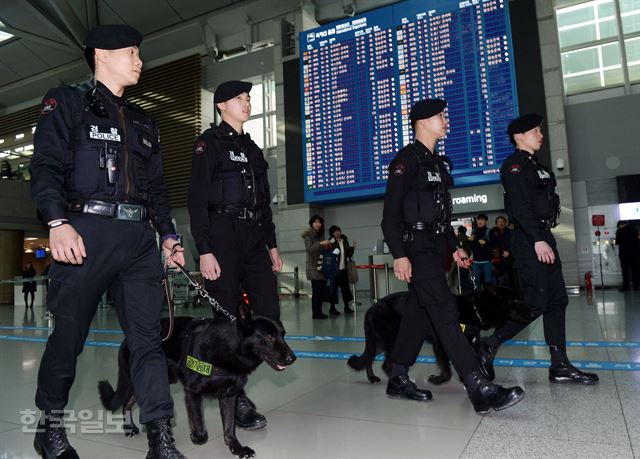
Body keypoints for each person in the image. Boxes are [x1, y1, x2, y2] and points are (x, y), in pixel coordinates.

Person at [29, 24, 186, 459]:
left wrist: (169, 236)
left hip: (138, 241)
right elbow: (43, 168)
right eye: (132, 52)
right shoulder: (67, 103)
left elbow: (157, 190)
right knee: (69, 337)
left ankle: (160, 435)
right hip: (85, 234)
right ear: (101, 55)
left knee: (148, 341)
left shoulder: (143, 121)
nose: (140, 61)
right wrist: (57, 222)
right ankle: (51, 427)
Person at [380, 98, 524, 413]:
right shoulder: (406, 162)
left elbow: (441, 218)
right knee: (445, 311)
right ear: (421, 122)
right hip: (416, 247)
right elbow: (390, 216)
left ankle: (397, 376)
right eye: (440, 116)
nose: (446, 120)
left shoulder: (436, 163)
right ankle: (479, 388)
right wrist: (400, 255)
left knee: (419, 314)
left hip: (434, 245)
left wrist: (454, 246)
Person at [188, 80, 283, 430]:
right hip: (222, 233)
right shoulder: (208, 144)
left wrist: (271, 243)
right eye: (240, 99)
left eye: (248, 98)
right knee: (227, 323)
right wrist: (205, 249)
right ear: (221, 106)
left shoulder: (253, 148)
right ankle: (237, 398)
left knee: (270, 315)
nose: (247, 103)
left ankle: (246, 370)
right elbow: (197, 200)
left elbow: (265, 203)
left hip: (254, 235)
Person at [477, 113, 598, 386]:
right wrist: (536, 239)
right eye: (534, 131)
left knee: (558, 301)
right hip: (529, 241)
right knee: (535, 303)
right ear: (518, 136)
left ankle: (560, 365)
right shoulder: (514, 166)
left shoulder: (537, 166)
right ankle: (489, 343)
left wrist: (543, 237)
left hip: (544, 236)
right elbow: (519, 208)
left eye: (540, 130)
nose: (540, 134)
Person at [302, 215, 330, 319]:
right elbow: (310, 249)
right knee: (317, 291)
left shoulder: (319, 235)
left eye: (319, 222)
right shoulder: (308, 235)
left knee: (321, 291)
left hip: (320, 266)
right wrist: (321, 243)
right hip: (313, 267)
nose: (318, 224)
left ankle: (319, 312)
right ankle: (316, 313)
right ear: (311, 223)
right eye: (315, 222)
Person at [328, 225, 355, 314]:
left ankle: (346, 307)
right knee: (334, 289)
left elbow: (348, 255)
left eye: (338, 231)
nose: (337, 233)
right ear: (332, 234)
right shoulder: (331, 242)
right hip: (334, 270)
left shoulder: (344, 241)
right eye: (335, 232)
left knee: (345, 289)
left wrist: (353, 247)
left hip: (343, 269)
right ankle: (332, 308)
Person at [468, 213, 494, 287]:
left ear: (486, 221)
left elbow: (494, 244)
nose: (479, 221)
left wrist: (486, 243)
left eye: (482, 220)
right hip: (475, 262)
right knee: (476, 282)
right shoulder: (473, 232)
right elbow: (471, 246)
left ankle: (489, 297)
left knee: (489, 282)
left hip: (487, 262)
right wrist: (469, 240)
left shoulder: (489, 231)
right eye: (478, 220)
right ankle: (478, 297)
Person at [490, 216, 515, 288]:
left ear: (505, 223)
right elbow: (493, 246)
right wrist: (497, 257)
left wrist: (509, 252)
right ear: (496, 224)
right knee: (500, 279)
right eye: (498, 222)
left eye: (502, 222)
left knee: (512, 278)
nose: (500, 223)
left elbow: (514, 244)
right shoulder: (493, 233)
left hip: (510, 257)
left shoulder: (511, 232)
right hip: (498, 258)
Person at [615, 220, 640, 291]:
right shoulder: (634, 229)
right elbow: (638, 241)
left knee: (625, 271)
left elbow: (617, 242)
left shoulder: (619, 231)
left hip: (624, 254)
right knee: (635, 270)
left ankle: (626, 287)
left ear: (621, 225)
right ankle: (636, 286)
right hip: (634, 254)